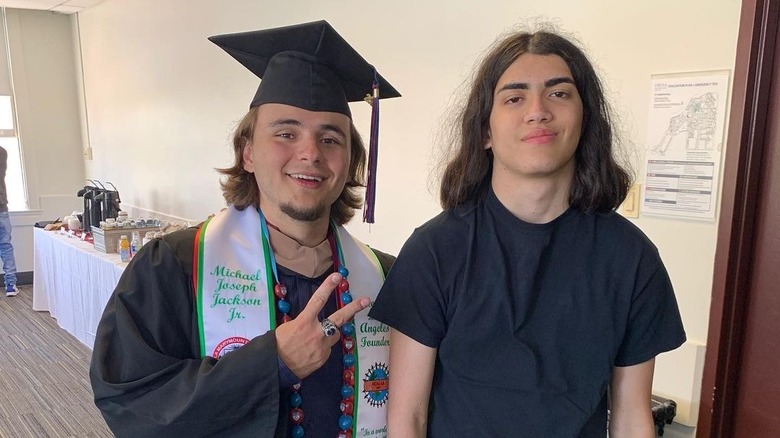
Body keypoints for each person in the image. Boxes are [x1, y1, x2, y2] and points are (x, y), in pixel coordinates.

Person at [368, 28, 686, 437]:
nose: (537, 111)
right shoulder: (434, 251)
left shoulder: (631, 259)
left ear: (585, 118)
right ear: (485, 131)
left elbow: (630, 419)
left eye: (559, 93)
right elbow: (407, 419)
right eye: (514, 97)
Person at [90, 20, 400, 438]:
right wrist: (271, 364)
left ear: (350, 164)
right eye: (286, 133)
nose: (310, 153)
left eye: (330, 139)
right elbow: (128, 401)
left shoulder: (387, 280)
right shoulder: (173, 267)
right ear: (248, 152)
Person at [0, 146, 18, 297]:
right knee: (5, 246)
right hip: (1, 208)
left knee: (5, 246)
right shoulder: (2, 151)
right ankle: (10, 285)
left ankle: (11, 284)